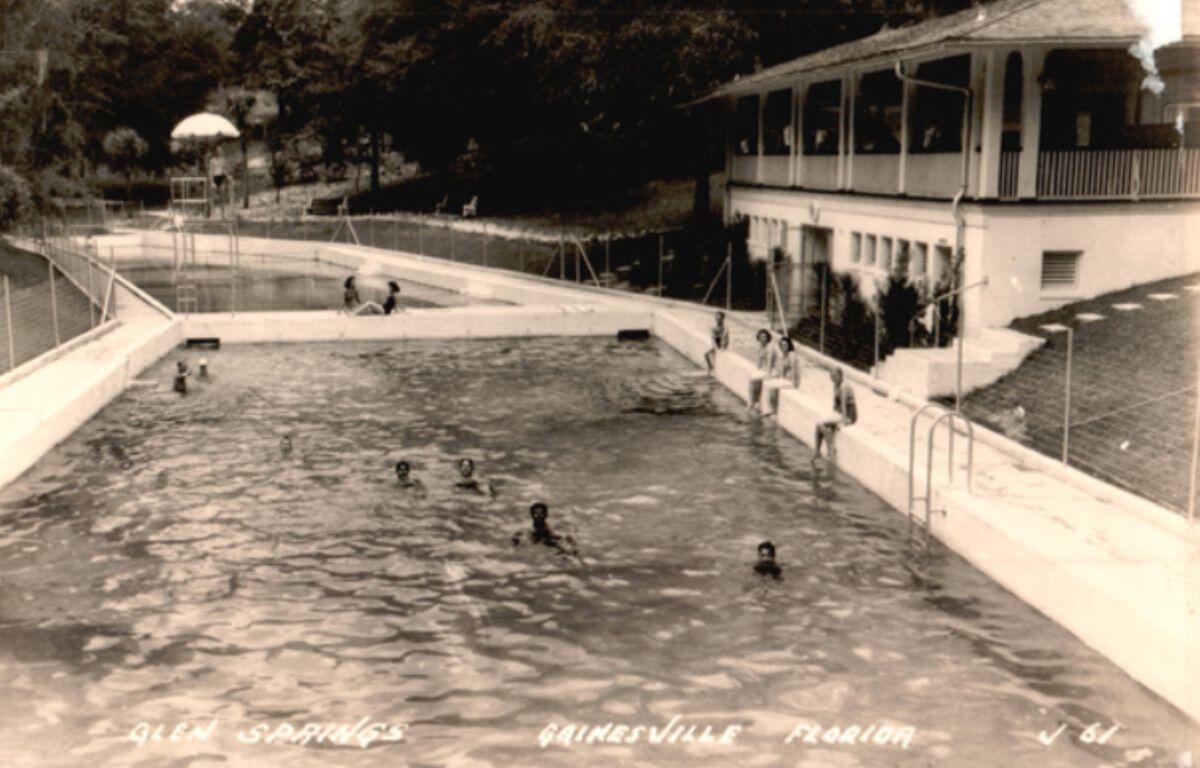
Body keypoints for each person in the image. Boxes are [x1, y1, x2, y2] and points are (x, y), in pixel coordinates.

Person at [814, 366, 857, 464]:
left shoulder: (844, 386)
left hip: (849, 416)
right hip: (839, 414)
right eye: (831, 376)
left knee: (820, 423)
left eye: (835, 376)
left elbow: (844, 405)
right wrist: (832, 418)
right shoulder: (836, 385)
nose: (832, 378)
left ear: (841, 375)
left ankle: (831, 447)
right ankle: (817, 451)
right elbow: (835, 405)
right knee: (820, 426)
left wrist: (844, 422)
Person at [512, 502, 578, 556]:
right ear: (532, 515)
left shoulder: (549, 527)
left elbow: (556, 536)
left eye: (542, 513)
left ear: (546, 515)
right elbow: (516, 537)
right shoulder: (528, 528)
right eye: (536, 513)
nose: (539, 516)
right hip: (536, 547)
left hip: (547, 544)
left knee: (568, 541)